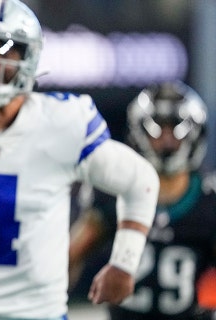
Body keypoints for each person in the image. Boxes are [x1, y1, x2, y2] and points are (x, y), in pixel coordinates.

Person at [0, 0, 160, 319]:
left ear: (30, 56)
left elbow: (140, 180)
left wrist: (124, 262)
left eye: (5, 49)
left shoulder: (65, 119)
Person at [69, 81, 216, 320]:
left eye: (175, 129)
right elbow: (70, 256)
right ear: (138, 132)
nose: (167, 140)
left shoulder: (208, 201)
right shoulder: (113, 191)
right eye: (157, 129)